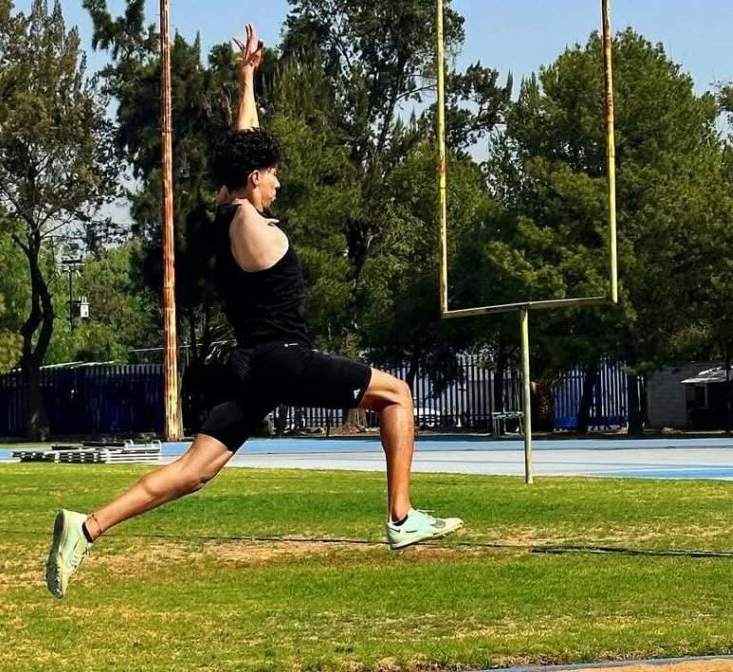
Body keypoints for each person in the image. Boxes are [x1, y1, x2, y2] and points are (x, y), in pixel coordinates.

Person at [44, 24, 462, 600]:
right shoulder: (247, 221)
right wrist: (246, 174)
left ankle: (85, 528)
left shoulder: (228, 215)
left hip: (251, 367)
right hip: (282, 360)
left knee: (195, 471)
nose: (278, 183)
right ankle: (400, 518)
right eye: (271, 175)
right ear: (253, 179)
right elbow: (248, 163)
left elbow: (247, 144)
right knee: (397, 394)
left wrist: (247, 79)